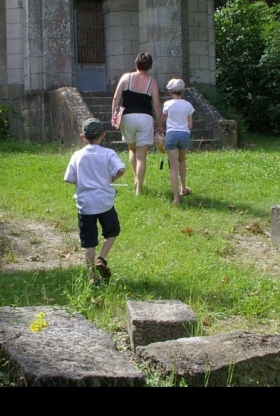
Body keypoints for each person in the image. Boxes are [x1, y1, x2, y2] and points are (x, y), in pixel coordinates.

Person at [64, 118, 126, 284]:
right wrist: (111, 179)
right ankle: (102, 258)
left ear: (83, 136)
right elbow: (121, 168)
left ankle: (92, 277)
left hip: (85, 204)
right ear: (103, 135)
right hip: (104, 201)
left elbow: (69, 178)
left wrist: (81, 181)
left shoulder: (77, 155)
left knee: (89, 242)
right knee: (112, 231)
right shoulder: (108, 153)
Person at [111, 52, 163, 195]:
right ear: (150, 66)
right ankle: (139, 188)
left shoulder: (125, 78)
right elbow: (157, 105)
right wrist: (160, 124)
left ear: (136, 64)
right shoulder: (152, 82)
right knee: (142, 156)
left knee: (132, 149)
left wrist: (113, 116)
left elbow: (116, 98)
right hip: (145, 118)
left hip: (127, 116)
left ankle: (135, 178)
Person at [162, 79, 195, 205]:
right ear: (182, 91)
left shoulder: (167, 104)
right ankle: (183, 187)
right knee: (182, 160)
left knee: (173, 167)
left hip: (171, 134)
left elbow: (163, 119)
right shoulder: (188, 105)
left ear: (170, 91)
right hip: (184, 134)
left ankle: (176, 198)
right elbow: (190, 125)